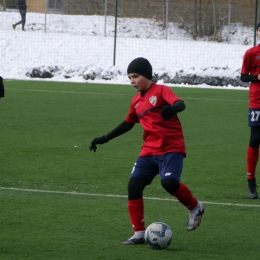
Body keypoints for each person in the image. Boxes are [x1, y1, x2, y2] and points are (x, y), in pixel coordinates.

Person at [89, 57, 205, 245]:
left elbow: (180, 103)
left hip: (171, 147)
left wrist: (173, 109)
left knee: (168, 182)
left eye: (135, 76)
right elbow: (128, 124)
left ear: (147, 75)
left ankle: (195, 207)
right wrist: (104, 138)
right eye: (129, 78)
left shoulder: (161, 91)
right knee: (134, 186)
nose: (132, 81)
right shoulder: (136, 101)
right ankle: (139, 233)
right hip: (149, 150)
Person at [240, 22, 260, 199]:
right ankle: (251, 183)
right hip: (257, 102)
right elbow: (243, 76)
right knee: (255, 138)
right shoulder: (251, 53)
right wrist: (258, 77)